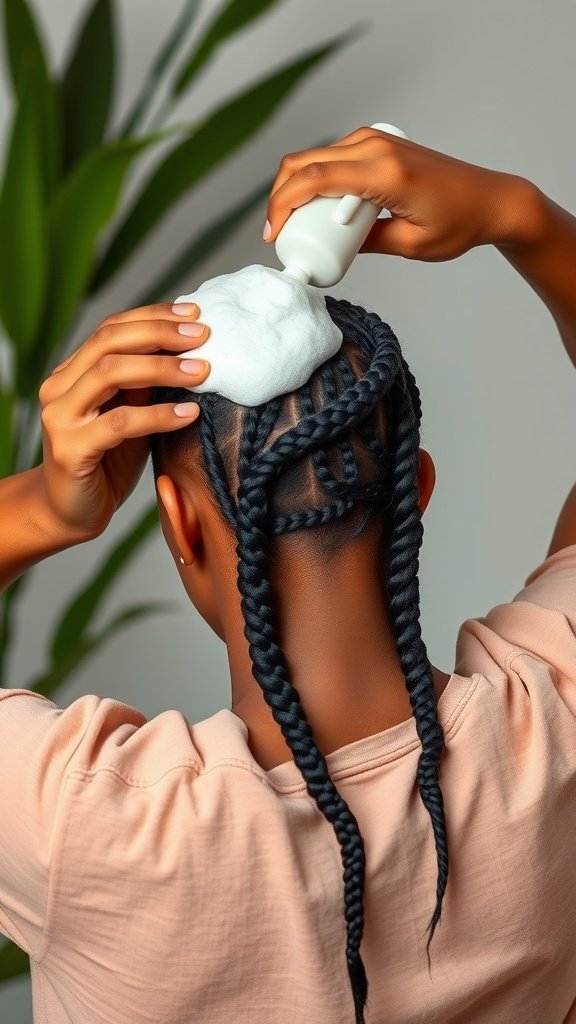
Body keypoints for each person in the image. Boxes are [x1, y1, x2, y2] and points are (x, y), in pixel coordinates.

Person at [0, 126, 575, 1024]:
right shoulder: (554, 718)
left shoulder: (82, 821)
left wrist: (45, 506)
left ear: (179, 523)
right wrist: (521, 215)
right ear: (415, 489)